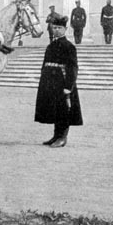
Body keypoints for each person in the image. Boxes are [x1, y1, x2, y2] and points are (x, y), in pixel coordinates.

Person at [35, 15, 83, 148]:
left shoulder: (69, 46)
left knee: (64, 110)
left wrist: (69, 86)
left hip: (63, 82)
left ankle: (62, 137)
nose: (56, 30)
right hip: (50, 82)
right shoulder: (51, 45)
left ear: (65, 29)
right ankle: (56, 136)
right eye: (54, 27)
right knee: (54, 109)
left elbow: (73, 68)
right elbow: (45, 64)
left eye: (59, 28)